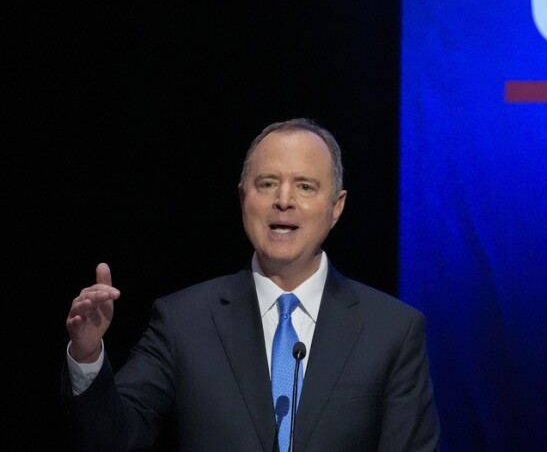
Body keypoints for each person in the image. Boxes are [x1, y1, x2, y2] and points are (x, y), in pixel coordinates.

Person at [63, 118, 440, 452]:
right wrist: (87, 355)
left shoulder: (392, 331)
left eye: (305, 186)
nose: (284, 200)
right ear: (244, 197)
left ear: (336, 206)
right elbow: (111, 437)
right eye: (267, 183)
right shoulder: (184, 321)